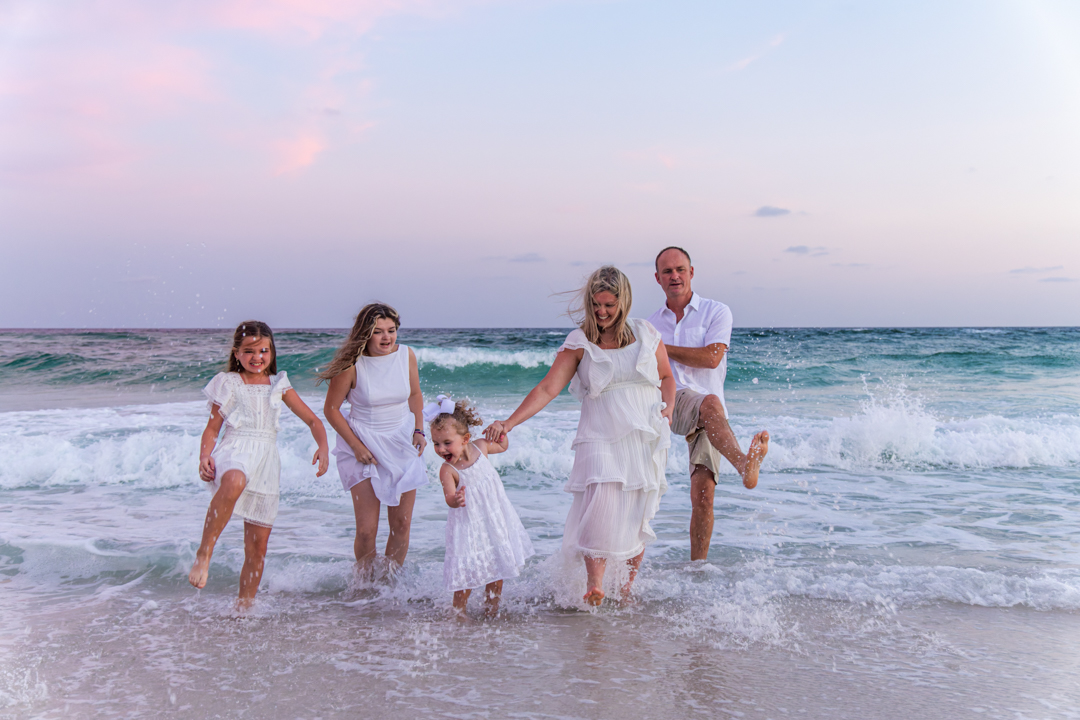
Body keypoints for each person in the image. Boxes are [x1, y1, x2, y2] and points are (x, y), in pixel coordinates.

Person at [485, 266, 674, 606]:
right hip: (599, 433)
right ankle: (595, 586)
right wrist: (509, 423)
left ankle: (626, 590)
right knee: (599, 502)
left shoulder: (646, 333)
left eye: (609, 306)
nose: (601, 313)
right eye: (596, 305)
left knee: (635, 514)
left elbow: (666, 377)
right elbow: (547, 388)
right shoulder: (580, 342)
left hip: (643, 435)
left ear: (624, 302)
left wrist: (669, 408)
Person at [188, 321, 330, 608]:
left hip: (266, 461)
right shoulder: (228, 382)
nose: (257, 357)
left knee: (257, 547)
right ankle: (204, 553)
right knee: (235, 480)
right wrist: (205, 455)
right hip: (235, 447)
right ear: (237, 353)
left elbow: (313, 420)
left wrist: (324, 446)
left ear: (272, 352)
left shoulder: (279, 384)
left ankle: (244, 607)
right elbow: (213, 429)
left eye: (263, 350)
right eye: (249, 351)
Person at [647, 246, 769, 561]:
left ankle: (697, 569)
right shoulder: (649, 326)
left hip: (710, 417)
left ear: (691, 272)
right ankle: (744, 464)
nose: (674, 276)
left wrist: (661, 348)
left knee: (703, 497)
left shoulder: (717, 311)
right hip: (671, 405)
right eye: (667, 271)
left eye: (680, 269)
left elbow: (712, 358)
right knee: (710, 402)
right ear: (658, 278)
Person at [320, 303, 427, 575]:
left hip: (401, 441)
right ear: (364, 334)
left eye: (391, 330)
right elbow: (331, 410)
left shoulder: (406, 355)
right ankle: (366, 587)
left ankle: (389, 587)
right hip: (362, 444)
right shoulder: (352, 365)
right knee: (367, 530)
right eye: (378, 332)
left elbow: (414, 395)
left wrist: (419, 428)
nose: (386, 338)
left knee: (401, 524)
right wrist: (356, 446)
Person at [426, 395, 535, 618]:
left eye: (447, 443)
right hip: (468, 527)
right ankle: (459, 613)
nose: (440, 449)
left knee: (497, 565)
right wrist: (454, 500)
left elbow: (503, 446)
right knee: (466, 572)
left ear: (465, 438)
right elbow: (448, 496)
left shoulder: (482, 447)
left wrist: (500, 431)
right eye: (436, 443)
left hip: (493, 520)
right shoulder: (448, 470)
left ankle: (491, 611)